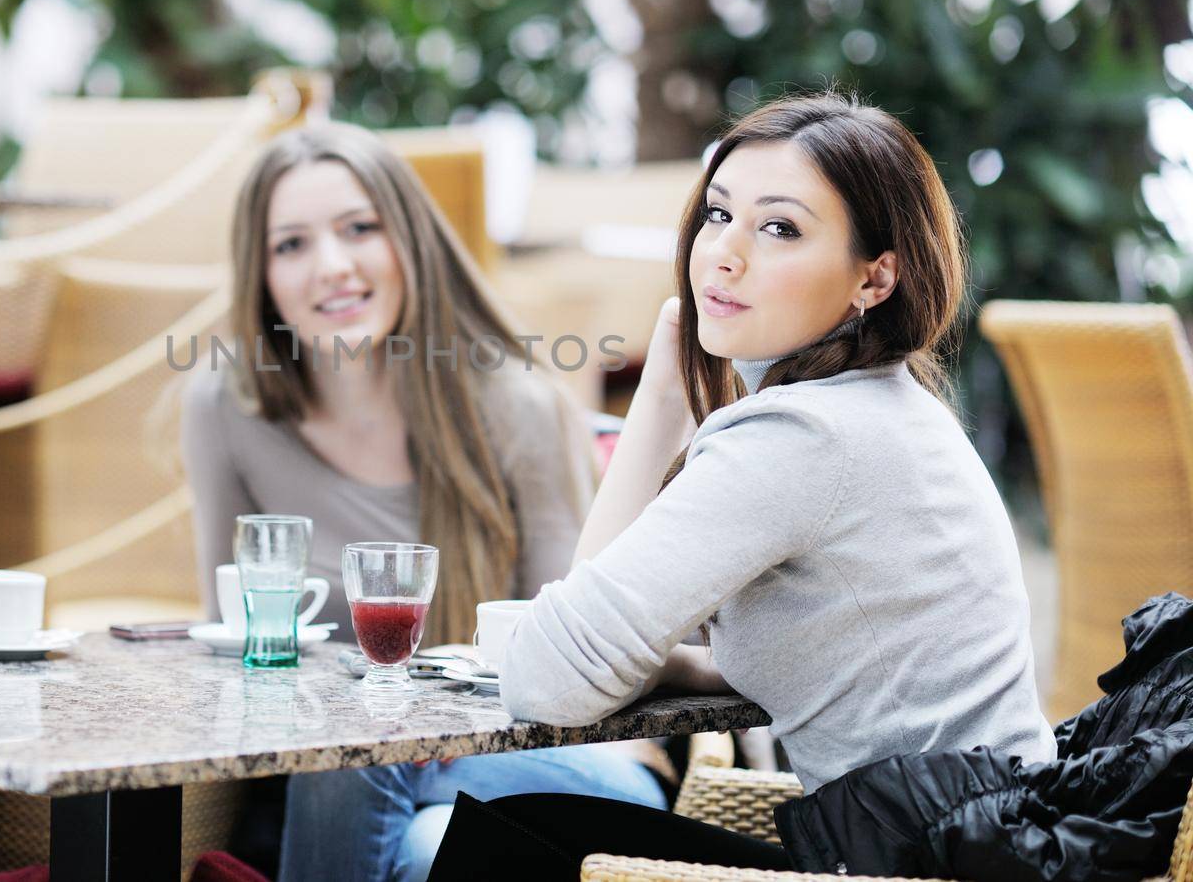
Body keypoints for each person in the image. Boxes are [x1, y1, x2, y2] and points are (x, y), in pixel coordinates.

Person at [425, 92, 1057, 879]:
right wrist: (677, 666)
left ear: (876, 277)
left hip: (925, 862)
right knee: (525, 825)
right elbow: (850, 659)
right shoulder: (883, 406)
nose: (725, 253)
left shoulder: (801, 436)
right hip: (975, 843)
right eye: (718, 214)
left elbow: (546, 676)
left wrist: (661, 397)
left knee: (510, 844)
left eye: (780, 227)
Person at [179, 124, 666, 882]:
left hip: (561, 761)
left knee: (361, 745)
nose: (331, 267)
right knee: (424, 844)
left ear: (410, 241)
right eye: (291, 245)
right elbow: (236, 634)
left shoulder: (515, 408)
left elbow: (579, 668)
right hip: (346, 788)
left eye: (359, 229)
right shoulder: (225, 406)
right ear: (261, 275)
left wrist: (405, 727)